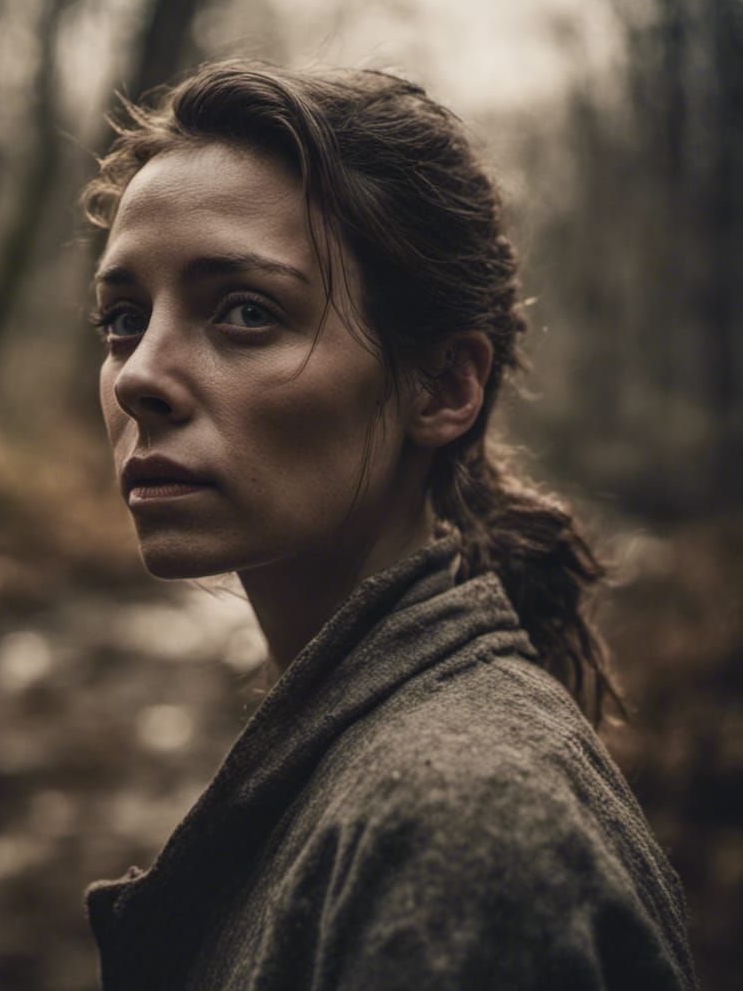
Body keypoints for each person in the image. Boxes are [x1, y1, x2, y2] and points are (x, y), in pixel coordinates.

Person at [79, 61, 697, 990]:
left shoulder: (460, 832)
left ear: (444, 385)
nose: (136, 376)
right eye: (124, 319)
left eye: (247, 312)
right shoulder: (387, 757)